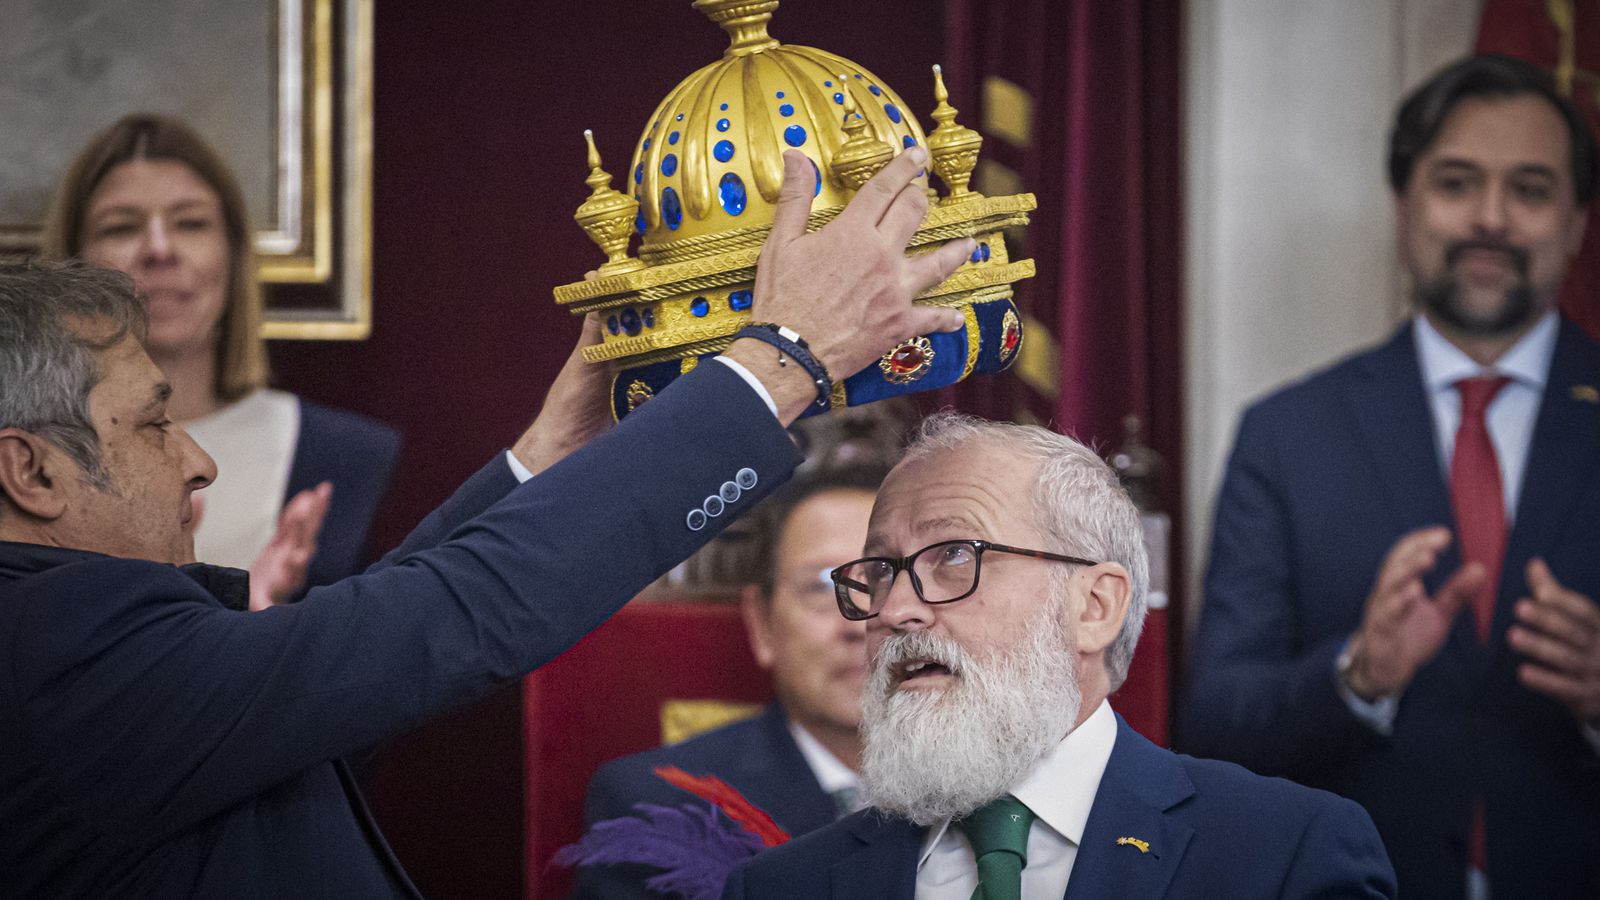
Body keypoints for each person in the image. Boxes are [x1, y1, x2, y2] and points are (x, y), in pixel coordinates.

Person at [0, 147, 974, 897]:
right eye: (155, 422)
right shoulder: (50, 647)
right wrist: (785, 359)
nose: (197, 459)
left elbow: (355, 655)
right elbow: (449, 613)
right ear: (29, 468)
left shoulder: (78, 650)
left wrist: (552, 449)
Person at [1180, 54, 1600, 900]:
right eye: (1456, 182)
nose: (1492, 218)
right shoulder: (1289, 435)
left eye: (1529, 189)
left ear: (1579, 221)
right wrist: (1356, 678)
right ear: (1404, 204)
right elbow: (1213, 724)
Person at [724, 414, 1396, 899]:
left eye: (954, 555)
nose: (895, 609)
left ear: (1095, 606)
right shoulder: (784, 886)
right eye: (879, 572)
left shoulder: (1283, 853)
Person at [42, 113, 400, 609]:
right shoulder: (28, 455)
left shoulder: (345, 455)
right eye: (121, 226)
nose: (160, 250)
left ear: (233, 254)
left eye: (190, 223)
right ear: (73, 263)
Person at [571, 465, 885, 898]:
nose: (858, 623)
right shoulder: (661, 809)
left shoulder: (995, 794)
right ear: (762, 625)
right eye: (822, 586)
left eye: (884, 579)